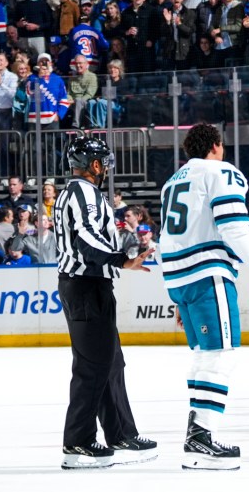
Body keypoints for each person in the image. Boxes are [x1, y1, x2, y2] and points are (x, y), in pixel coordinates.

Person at [158, 123, 249, 471]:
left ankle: (198, 434)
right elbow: (233, 225)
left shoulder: (172, 181)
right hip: (208, 273)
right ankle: (201, 438)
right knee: (221, 354)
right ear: (215, 146)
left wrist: (178, 296)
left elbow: (169, 237)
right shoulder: (221, 171)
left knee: (203, 356)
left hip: (180, 277)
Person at [54, 137, 157, 469]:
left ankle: (121, 433)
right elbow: (85, 238)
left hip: (90, 286)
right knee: (92, 367)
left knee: (111, 362)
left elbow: (91, 235)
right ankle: (78, 442)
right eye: (104, 162)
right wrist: (119, 259)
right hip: (85, 287)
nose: (107, 168)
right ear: (94, 165)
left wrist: (120, 253)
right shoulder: (82, 192)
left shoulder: (77, 193)